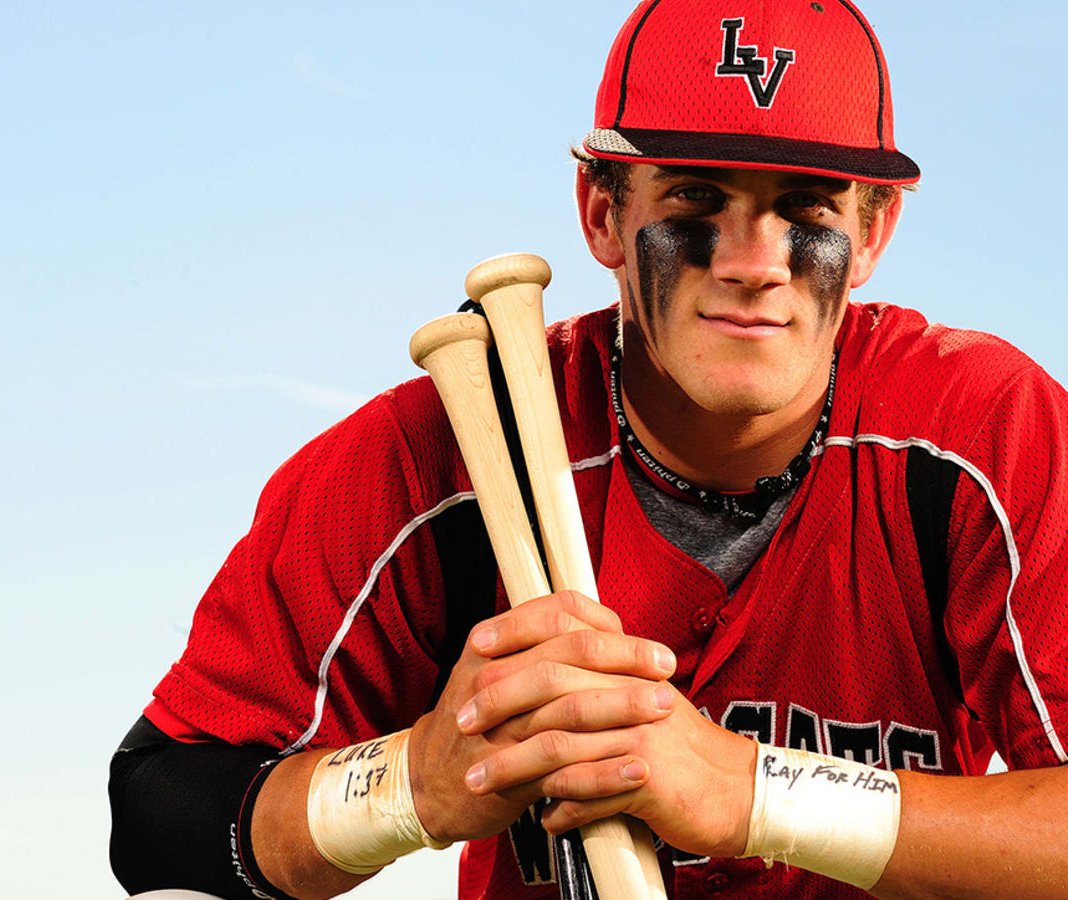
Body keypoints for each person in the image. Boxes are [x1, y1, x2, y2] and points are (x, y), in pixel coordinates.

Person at [109, 1, 1068, 897]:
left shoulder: (986, 432)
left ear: (872, 234)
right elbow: (155, 805)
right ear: (603, 212)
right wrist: (422, 782)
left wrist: (754, 793)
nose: (752, 260)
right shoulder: (440, 454)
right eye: (695, 196)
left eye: (807, 208)